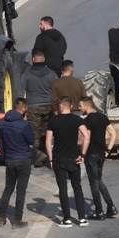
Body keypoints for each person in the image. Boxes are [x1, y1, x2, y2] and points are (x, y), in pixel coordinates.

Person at [47, 96, 90, 226]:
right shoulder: (77, 119)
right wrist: (82, 154)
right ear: (71, 106)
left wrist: (50, 158)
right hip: (74, 158)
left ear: (60, 106)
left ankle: (67, 219)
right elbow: (86, 136)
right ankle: (82, 218)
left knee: (63, 189)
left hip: (59, 158)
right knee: (77, 187)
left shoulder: (53, 121)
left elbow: (48, 141)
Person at [0, 97, 35, 227]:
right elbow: (31, 141)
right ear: (23, 108)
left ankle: (1, 217)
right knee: (21, 191)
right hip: (24, 160)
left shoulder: (2, 123)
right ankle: (17, 220)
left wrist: (5, 155)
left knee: (8, 189)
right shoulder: (24, 124)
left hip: (10, 159)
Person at [79, 97, 117, 219]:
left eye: (80, 106)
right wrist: (108, 150)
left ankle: (99, 211)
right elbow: (113, 133)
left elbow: (87, 138)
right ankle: (111, 207)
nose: (79, 109)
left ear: (86, 106)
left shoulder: (87, 120)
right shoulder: (103, 117)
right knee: (99, 180)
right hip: (101, 154)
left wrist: (82, 154)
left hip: (91, 154)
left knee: (93, 183)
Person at [22, 50, 55, 167]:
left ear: (33, 60)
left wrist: (23, 109)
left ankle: (38, 157)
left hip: (33, 107)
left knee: (34, 134)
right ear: (44, 60)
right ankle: (46, 154)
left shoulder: (27, 74)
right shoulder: (51, 74)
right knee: (46, 133)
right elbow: (55, 90)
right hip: (48, 107)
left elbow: (21, 91)